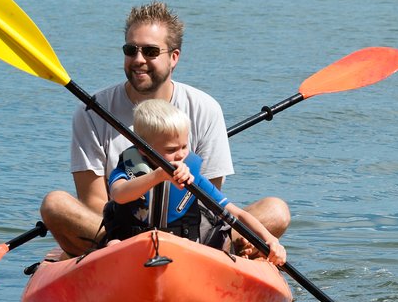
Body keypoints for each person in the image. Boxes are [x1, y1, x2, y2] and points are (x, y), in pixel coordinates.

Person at [39, 1, 289, 256]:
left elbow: (209, 204)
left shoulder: (205, 108)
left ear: (174, 57)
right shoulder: (92, 110)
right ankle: (108, 257)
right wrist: (127, 236)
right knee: (55, 204)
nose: (138, 60)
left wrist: (265, 238)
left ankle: (233, 250)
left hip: (190, 235)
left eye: (150, 51)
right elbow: (95, 203)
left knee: (276, 210)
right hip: (119, 233)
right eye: (130, 50)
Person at [102, 99, 286, 265]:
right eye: (172, 149)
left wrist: (270, 239)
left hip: (182, 249)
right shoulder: (129, 169)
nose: (181, 154)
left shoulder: (192, 177)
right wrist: (158, 175)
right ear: (143, 149)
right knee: (113, 243)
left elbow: (236, 213)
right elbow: (118, 194)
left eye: (184, 146)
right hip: (131, 246)